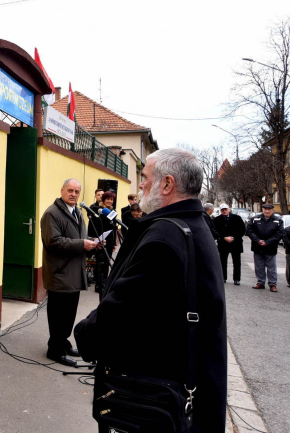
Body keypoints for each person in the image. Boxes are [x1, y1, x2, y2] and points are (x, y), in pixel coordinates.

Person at [74, 148, 227, 432]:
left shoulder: (164, 239)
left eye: (144, 177)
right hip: (176, 393)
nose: (140, 185)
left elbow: (122, 310)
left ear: (167, 184)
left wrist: (84, 334)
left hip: (154, 399)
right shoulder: (192, 223)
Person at [40, 179, 101, 368]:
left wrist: (92, 242)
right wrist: (82, 244)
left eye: (76, 191)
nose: (73, 194)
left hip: (74, 271)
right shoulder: (52, 213)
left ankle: (63, 343)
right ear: (62, 191)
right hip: (59, 273)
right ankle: (55, 350)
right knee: (58, 314)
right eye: (70, 190)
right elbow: (53, 241)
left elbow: (77, 237)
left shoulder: (77, 211)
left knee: (68, 313)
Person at [246, 203, 284, 292]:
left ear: (272, 210)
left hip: (271, 247)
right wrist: (257, 240)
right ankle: (260, 282)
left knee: (271, 267)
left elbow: (280, 233)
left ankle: (272, 284)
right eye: (265, 209)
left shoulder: (278, 220)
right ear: (262, 210)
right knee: (259, 266)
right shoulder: (255, 219)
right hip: (257, 246)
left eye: (269, 209)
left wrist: (267, 242)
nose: (267, 211)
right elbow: (249, 230)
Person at [88, 191, 118, 297]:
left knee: (107, 262)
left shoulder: (113, 211)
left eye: (111, 199)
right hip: (100, 239)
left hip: (109, 240)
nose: (110, 201)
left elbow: (114, 229)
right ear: (104, 200)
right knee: (100, 262)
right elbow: (93, 226)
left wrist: (114, 243)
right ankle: (99, 284)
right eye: (108, 199)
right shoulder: (98, 210)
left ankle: (104, 282)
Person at [213, 203, 246, 285]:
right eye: (222, 210)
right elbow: (215, 231)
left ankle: (237, 279)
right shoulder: (217, 219)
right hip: (223, 243)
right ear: (220, 211)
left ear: (229, 210)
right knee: (223, 261)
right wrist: (224, 237)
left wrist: (233, 237)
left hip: (236, 243)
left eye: (225, 209)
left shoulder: (237, 218)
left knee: (237, 262)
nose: (224, 211)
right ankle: (223, 277)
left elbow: (242, 230)